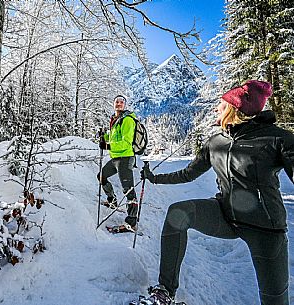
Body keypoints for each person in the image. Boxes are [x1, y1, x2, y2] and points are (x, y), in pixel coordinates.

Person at [136, 80, 293, 305]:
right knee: (177, 213)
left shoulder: (278, 139)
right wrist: (154, 178)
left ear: (234, 108)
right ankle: (165, 291)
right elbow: (188, 173)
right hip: (225, 216)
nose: (215, 109)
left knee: (276, 301)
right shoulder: (216, 141)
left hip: (266, 229)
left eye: (220, 105)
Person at [98, 95, 139, 232]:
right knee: (101, 176)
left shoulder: (127, 120)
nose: (119, 104)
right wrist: (103, 136)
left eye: (122, 102)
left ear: (125, 105)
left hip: (126, 158)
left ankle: (131, 223)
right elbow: (112, 138)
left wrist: (108, 146)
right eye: (117, 102)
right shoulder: (115, 120)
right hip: (116, 158)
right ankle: (112, 200)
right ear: (113, 104)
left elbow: (126, 142)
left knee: (128, 190)